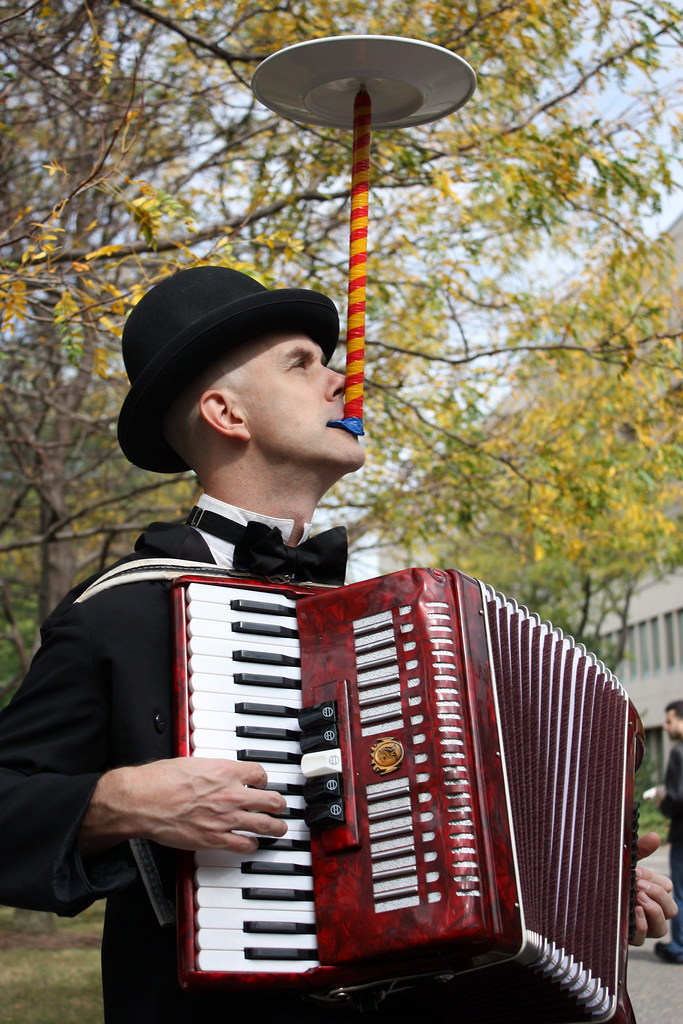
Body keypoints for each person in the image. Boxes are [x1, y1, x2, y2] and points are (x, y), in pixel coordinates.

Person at [0, 266, 675, 1023]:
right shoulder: (120, 613)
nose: (340, 383)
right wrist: (122, 802)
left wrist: (588, 890)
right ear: (225, 412)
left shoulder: (400, 631)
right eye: (302, 364)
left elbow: (450, 864)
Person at [653, 699, 683, 964]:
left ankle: (679, 947)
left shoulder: (679, 753)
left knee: (681, 892)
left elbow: (677, 797)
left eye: (670, 720)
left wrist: (662, 801)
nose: (666, 726)